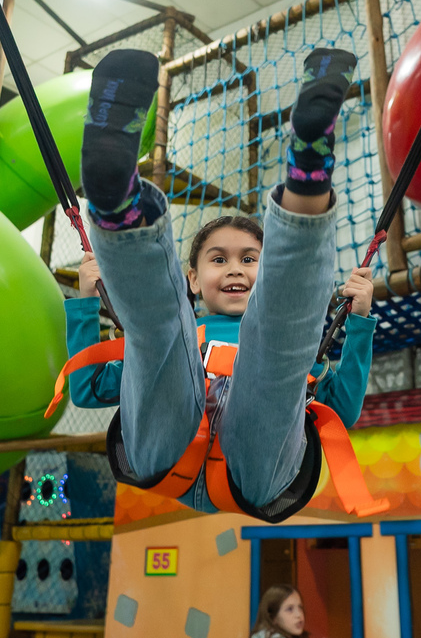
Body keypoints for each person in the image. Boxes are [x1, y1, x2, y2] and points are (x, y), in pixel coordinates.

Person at [62, 46, 377, 521]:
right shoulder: (188, 327)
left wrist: (360, 323)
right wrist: (85, 304)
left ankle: (306, 177)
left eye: (251, 260)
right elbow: (87, 389)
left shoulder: (280, 333)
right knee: (157, 336)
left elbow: (345, 410)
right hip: (168, 447)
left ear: (266, 275)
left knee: (281, 349)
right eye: (219, 259)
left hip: (255, 465)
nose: (235, 269)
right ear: (192, 278)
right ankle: (119, 206)